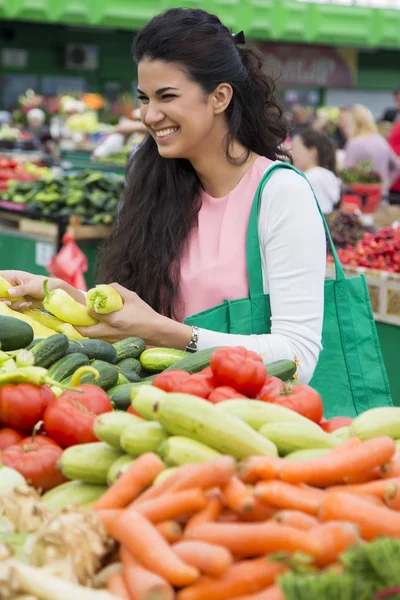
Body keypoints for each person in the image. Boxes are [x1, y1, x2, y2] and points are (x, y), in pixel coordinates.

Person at [0, 8, 326, 384]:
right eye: (143, 98)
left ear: (219, 96)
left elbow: (298, 360)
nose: (150, 115)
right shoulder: (160, 185)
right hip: (162, 408)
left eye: (166, 96)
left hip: (244, 422)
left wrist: (165, 333)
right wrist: (63, 298)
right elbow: (143, 319)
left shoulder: (281, 194)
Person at [344, 104, 400, 199]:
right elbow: (397, 166)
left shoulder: (354, 144)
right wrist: (386, 185)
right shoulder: (380, 140)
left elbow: (348, 176)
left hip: (361, 199)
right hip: (381, 197)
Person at [291, 129, 341, 215]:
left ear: (313, 152)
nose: (292, 153)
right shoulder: (327, 175)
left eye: (296, 149)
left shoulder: (309, 178)